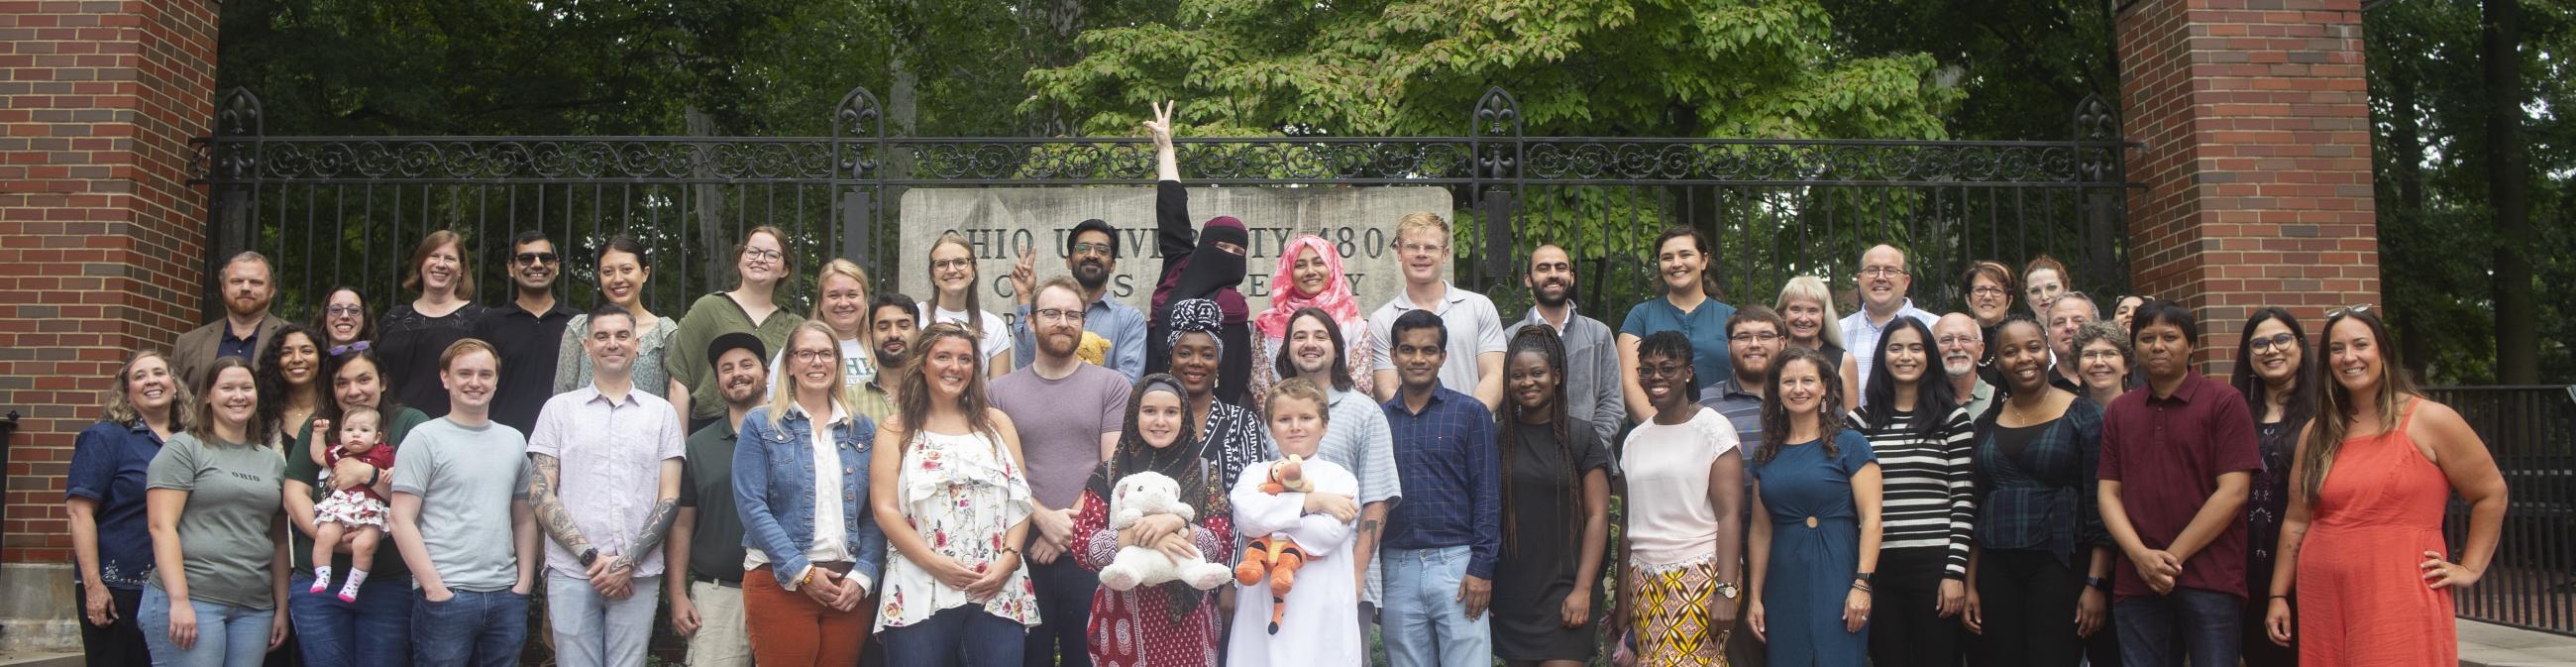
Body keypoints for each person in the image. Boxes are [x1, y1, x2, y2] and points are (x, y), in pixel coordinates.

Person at [2263, 307, 2509, 667]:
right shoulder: (2315, 433)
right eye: (2336, 349)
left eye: (2360, 344)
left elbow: (2491, 493)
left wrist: (2469, 568)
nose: (2349, 357)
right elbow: (2297, 520)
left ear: (2384, 351)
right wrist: (2277, 595)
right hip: (2323, 594)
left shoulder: (2430, 419)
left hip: (2398, 588)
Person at [869, 322, 1041, 666]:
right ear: (922, 364)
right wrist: (935, 564)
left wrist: (1008, 560)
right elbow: (885, 509)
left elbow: (1020, 499)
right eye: (943, 357)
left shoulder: (997, 424)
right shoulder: (897, 428)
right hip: (921, 583)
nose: (955, 367)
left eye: (965, 359)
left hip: (994, 585)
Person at [2096, 301, 2259, 667]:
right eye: (2146, 338)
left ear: (2191, 345)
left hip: (2210, 578)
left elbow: (2234, 492)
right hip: (2137, 580)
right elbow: (2108, 493)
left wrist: (2170, 560)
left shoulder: (2224, 402)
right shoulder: (2120, 411)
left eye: (2170, 337)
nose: (2157, 346)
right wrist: (2140, 557)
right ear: (2133, 348)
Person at [528, 305, 689, 667]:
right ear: (586, 346)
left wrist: (627, 563)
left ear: (637, 343)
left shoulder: (661, 413)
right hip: (572, 572)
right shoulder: (558, 410)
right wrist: (590, 556)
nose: (611, 344)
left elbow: (670, 497)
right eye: (602, 336)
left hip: (638, 575)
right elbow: (540, 493)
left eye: (621, 336)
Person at [987, 277, 1132, 667]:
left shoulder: (1111, 385)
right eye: (1051, 313)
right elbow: (996, 470)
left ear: (1085, 322)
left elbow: (1113, 466)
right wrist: (1042, 518)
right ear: (1030, 322)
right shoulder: (998, 392)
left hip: (1090, 548)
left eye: (1072, 314)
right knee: (1027, 658)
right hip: (1020, 549)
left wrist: (1064, 527)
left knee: (1085, 658)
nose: (1063, 322)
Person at [1961, 315, 2113, 667]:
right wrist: (1970, 583)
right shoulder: (1987, 421)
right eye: (2011, 351)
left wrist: (2095, 584)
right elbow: (1977, 504)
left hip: (2059, 563)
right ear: (1997, 361)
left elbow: (2100, 504)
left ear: (2047, 352)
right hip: (1996, 566)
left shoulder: (2083, 414)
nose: (2024, 358)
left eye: (2033, 347)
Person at [738, 322, 890, 667]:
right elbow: (751, 506)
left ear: (838, 362)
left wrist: (865, 573)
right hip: (780, 583)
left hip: (847, 590)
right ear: (789, 364)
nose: (816, 362)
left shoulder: (863, 429)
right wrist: (802, 572)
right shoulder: (760, 425)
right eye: (805, 354)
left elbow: (875, 511)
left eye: (825, 353)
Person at [387, 339, 538, 667]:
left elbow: (524, 518)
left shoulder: (514, 440)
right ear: (445, 378)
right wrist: (434, 588)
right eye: (464, 373)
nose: (475, 382)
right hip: (446, 594)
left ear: (496, 380)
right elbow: (400, 519)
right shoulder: (424, 438)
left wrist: (523, 583)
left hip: (505, 595)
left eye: (485, 374)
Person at [1067, 374, 1234, 667]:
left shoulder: (1205, 473)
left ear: (1184, 416)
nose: (1160, 421)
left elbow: (1222, 545)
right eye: (1149, 411)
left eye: (1171, 412)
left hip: (1189, 627)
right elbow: (1083, 547)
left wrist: (1177, 524)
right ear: (1133, 414)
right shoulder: (1108, 474)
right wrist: (1135, 536)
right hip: (1123, 619)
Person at [283, 346, 430, 665]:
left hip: (388, 583)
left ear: (383, 381)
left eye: (364, 379)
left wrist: (368, 473)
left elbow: (423, 499)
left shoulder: (411, 423)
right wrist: (331, 540)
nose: (354, 391)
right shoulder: (319, 426)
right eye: (341, 382)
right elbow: (294, 494)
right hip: (318, 583)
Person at [140, 357, 287, 667]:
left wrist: (281, 608)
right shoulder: (185, 447)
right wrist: (178, 602)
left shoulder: (272, 462)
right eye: (227, 388)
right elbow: (160, 526)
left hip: (254, 606)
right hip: (194, 598)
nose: (238, 396)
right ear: (207, 395)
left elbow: (278, 540)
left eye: (246, 387)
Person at [1846, 317, 1976, 667]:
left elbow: (1963, 501)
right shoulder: (1858, 423)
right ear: (1883, 357)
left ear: (1929, 356)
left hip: (1934, 567)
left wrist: (1954, 573)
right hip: (1878, 566)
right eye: (1896, 348)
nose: (1906, 356)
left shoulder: (1953, 419)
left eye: (1916, 348)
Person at [1377, 309, 1501, 667]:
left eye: (1428, 350)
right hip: (1397, 565)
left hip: (1458, 565)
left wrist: (1482, 567)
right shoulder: (1378, 419)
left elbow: (1488, 495)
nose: (1418, 358)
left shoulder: (1470, 413)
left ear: (1442, 356)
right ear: (1393, 356)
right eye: (1408, 349)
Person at [1271, 306, 1403, 638]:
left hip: (1343, 573)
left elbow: (1377, 500)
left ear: (1337, 348)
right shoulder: (1274, 413)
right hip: (1280, 577)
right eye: (1299, 336)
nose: (1309, 343)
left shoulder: (1364, 411)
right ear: (1287, 348)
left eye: (1320, 335)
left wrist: (1355, 573)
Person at [1486, 326, 1613, 667]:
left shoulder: (1580, 436)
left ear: (1556, 376)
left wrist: (1584, 588)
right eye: (1517, 376)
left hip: (1567, 589)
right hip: (1513, 594)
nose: (1526, 382)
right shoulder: (1497, 438)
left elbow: (1598, 517)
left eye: (1537, 373)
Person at [1745, 347, 1879, 667]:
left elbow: (1872, 519)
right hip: (1784, 580)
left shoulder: (1851, 444)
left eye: (1808, 380)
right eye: (1788, 382)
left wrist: (1862, 583)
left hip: (1839, 573)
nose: (1798, 389)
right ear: (1777, 391)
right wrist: (1754, 597)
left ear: (1824, 389)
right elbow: (1761, 532)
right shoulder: (1767, 454)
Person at [1616, 331, 1744, 667]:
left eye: (1667, 367)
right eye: (1647, 369)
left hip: (1699, 576)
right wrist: (1622, 601)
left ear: (1688, 372)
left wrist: (1727, 590)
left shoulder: (1713, 430)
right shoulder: (1634, 440)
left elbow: (1730, 516)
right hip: (1643, 580)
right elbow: (1628, 524)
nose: (1656, 376)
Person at [1229, 378, 1365, 667]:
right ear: (1270, 427)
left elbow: (1325, 535)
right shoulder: (1254, 474)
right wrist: (1312, 503)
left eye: (1306, 417)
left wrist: (1274, 516)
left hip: (1321, 610)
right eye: (1284, 419)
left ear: (1324, 425)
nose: (1295, 426)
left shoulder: (1340, 478)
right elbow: (1247, 518)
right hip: (1261, 611)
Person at [68, 350, 189, 667]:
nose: (151, 380)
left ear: (174, 384)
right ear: (126, 392)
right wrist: (93, 586)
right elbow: (80, 513)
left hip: (182, 587)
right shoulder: (105, 437)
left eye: (159, 373)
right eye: (139, 376)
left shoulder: (193, 442)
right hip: (118, 589)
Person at [1136, 102, 1255, 406]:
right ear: (1203, 247)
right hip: (1157, 389)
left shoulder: (1233, 305)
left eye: (1236, 251)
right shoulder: (1180, 267)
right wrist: (1166, 150)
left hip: (1212, 407)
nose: (1228, 255)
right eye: (1221, 247)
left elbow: (1234, 372)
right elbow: (1172, 211)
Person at [667, 332, 769, 667]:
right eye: (726, 368)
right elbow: (682, 524)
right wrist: (678, 594)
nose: (736, 373)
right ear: (718, 381)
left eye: (746, 364)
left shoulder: (794, 434)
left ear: (766, 373)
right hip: (718, 595)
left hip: (786, 590)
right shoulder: (698, 446)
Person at [2228, 307, 2313, 667]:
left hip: (2308, 568)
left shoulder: (2325, 411)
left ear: (2299, 346)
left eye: (2281, 339)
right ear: (2248, 356)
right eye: (2259, 343)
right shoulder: (2232, 412)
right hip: (2245, 571)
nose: (2271, 350)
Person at [671, 226, 806, 432]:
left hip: (775, 432)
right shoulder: (708, 308)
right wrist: (679, 451)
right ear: (740, 259)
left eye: (771, 255)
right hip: (711, 429)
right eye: (752, 251)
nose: (760, 259)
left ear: (785, 269)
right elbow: (679, 382)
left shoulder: (795, 326)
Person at [1368, 212, 1507, 411]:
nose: (1421, 254)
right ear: (1399, 252)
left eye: (1430, 247)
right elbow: (1386, 388)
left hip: (1470, 432)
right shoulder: (1381, 320)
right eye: (1412, 247)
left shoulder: (1479, 307)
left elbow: (1495, 374)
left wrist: (1468, 422)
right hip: (1410, 436)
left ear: (1445, 254)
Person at [1619, 227, 1738, 423]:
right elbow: (1628, 382)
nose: (1676, 263)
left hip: (1723, 433)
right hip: (1656, 436)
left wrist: (1719, 433)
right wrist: (1663, 430)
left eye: (1685, 254)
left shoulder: (1731, 318)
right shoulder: (1640, 316)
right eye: (1667, 258)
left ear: (1704, 260)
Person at [556, 235, 683, 413]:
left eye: (626, 269)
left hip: (645, 435)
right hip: (584, 434)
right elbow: (562, 391)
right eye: (608, 272)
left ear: (644, 273)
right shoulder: (579, 328)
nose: (617, 279)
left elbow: (675, 394)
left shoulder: (664, 332)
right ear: (599, 276)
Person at [1010, 218, 1149, 382]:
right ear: (1069, 261)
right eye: (1083, 248)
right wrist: (1025, 296)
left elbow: (1127, 383)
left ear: (1112, 265)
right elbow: (1025, 367)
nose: (1092, 255)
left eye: (1102, 250)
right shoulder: (1050, 316)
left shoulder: (1129, 319)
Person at [1166, 299, 1271, 504]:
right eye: (1185, 353)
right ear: (1171, 361)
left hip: (1229, 535)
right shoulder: (1151, 419)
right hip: (1159, 533)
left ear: (1218, 364)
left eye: (1207, 355)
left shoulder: (1243, 423)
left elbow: (1258, 496)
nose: (1196, 362)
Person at [1252, 234, 1377, 406]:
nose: (1310, 271)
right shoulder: (1267, 323)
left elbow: (1360, 384)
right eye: (1300, 265)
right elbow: (1261, 387)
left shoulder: (1353, 323)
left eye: (1318, 263)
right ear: (1289, 271)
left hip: (1341, 423)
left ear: (1332, 266)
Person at [1515, 244, 1622, 444]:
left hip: (1591, 460)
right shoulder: (1511, 338)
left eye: (1561, 267)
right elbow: (1507, 408)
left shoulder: (1599, 334)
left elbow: (1612, 403)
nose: (1553, 274)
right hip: (1531, 460)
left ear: (1572, 277)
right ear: (1528, 279)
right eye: (1544, 268)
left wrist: (1589, 449)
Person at [475, 230, 578, 434]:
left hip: (564, 440)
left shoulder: (577, 323)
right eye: (526, 258)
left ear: (556, 267)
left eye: (546, 258)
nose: (537, 264)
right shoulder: (488, 324)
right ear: (511, 268)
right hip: (500, 440)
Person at [377, 231, 489, 418]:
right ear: (421, 263)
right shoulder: (393, 318)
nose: (440, 264)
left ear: (461, 269)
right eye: (434, 256)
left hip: (454, 429)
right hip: (390, 428)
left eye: (449, 258)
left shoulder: (481, 320)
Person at [301, 408, 394, 603]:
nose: (356, 434)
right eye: (350, 429)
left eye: (364, 430)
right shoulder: (339, 452)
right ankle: (322, 575)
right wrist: (318, 435)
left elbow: (401, 468)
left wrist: (393, 470)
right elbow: (318, 456)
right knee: (324, 535)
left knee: (365, 544)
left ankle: (353, 584)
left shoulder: (383, 453)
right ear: (341, 434)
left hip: (370, 510)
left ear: (377, 437)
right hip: (342, 507)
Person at [767, 259, 881, 399]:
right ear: (821, 302)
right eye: (834, 295)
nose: (843, 303)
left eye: (852, 295)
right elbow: (773, 400)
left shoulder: (881, 345)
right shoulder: (798, 346)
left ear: (864, 300)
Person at [172, 252, 288, 389]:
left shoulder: (291, 338)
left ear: (271, 290)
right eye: (237, 281)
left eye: (255, 282)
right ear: (223, 288)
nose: (246, 288)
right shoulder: (187, 344)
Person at [1840, 244, 1941, 391]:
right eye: (1872, 270)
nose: (1881, 277)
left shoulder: (1935, 327)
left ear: (1906, 282)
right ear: (1859, 280)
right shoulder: (1837, 332)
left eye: (1890, 270)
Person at [922, 231, 1015, 378]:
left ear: (973, 270)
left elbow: (998, 396)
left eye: (960, 262)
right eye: (942, 264)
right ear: (932, 275)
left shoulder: (994, 327)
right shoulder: (913, 317)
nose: (951, 270)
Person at [1775, 276, 1863, 408]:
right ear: (1783, 314)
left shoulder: (1844, 361)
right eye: (1796, 309)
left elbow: (1851, 420)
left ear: (1824, 315)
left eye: (1812, 311)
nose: (1804, 318)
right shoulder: (1773, 355)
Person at [254, 324, 326, 453]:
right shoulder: (261, 413)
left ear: (321, 358)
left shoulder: (336, 410)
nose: (297, 359)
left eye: (307, 351)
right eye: (286, 352)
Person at [859, 292, 920, 420]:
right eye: (883, 327)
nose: (893, 334)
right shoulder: (849, 400)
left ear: (918, 333)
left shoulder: (936, 395)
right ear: (869, 336)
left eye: (903, 326)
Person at [1961, 262, 2014, 389]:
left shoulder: (2017, 339)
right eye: (1980, 290)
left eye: (1996, 290)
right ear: (1968, 299)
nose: (1988, 297)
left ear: (2009, 301)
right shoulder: (1958, 340)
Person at [1934, 313, 1997, 421]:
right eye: (1946, 340)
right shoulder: (1919, 401)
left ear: (1980, 349)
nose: (1956, 347)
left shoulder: (1999, 401)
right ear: (1932, 349)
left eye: (1965, 339)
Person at [2043, 292, 2097, 394]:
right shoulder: (2038, 391)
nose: (2069, 327)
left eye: (2079, 321)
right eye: (2059, 322)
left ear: (2097, 328)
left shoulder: (2121, 382)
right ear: (2048, 332)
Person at [2072, 321, 2133, 406]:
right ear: (2078, 366)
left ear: (2126, 365)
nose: (2099, 362)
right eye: (2089, 354)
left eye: (2109, 354)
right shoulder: (2066, 414)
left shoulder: (2144, 409)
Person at [312, 286, 376, 353]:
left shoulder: (378, 360)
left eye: (353, 310)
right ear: (324, 316)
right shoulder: (308, 360)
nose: (345, 315)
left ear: (365, 317)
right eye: (336, 310)